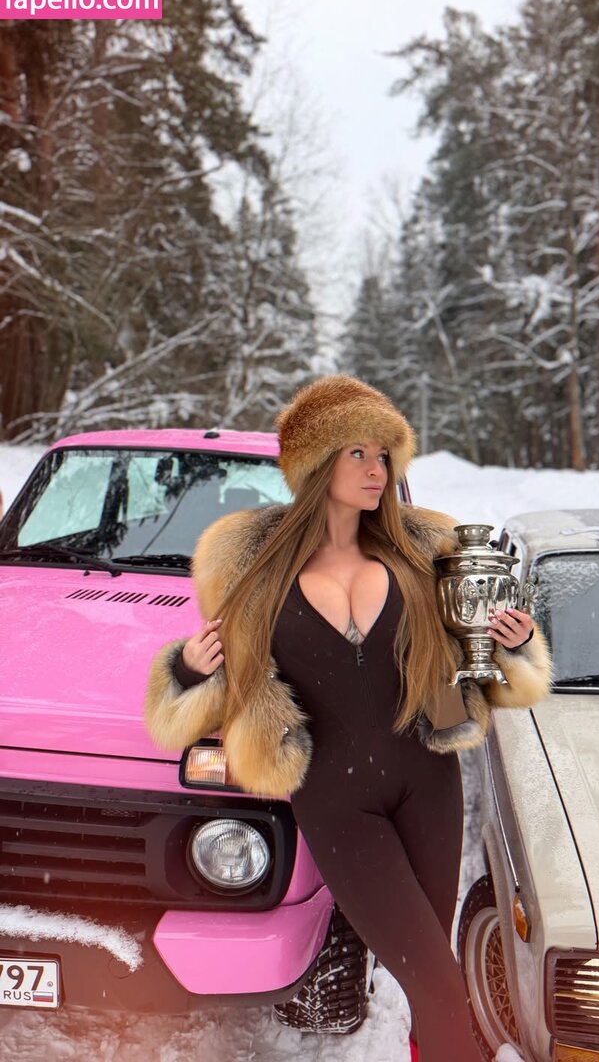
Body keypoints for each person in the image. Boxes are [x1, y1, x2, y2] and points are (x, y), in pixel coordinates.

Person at [144, 375, 552, 1062]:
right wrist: (186, 669)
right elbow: (206, 698)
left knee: (432, 971)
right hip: (337, 801)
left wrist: (510, 645)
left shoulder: (424, 553)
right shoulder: (253, 570)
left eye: (383, 454)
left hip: (428, 782)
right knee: (438, 981)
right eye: (356, 453)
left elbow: (475, 667)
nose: (376, 470)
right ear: (316, 463)